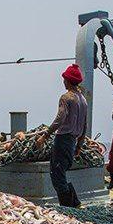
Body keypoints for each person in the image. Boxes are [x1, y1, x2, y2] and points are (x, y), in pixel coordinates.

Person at [35, 63, 88, 207]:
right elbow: (84, 125)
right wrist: (79, 145)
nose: (63, 81)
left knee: (57, 175)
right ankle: (74, 203)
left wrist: (45, 135)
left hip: (63, 139)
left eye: (64, 79)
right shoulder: (83, 100)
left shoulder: (66, 98)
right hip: (72, 142)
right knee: (61, 173)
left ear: (68, 80)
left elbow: (60, 118)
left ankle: (68, 206)